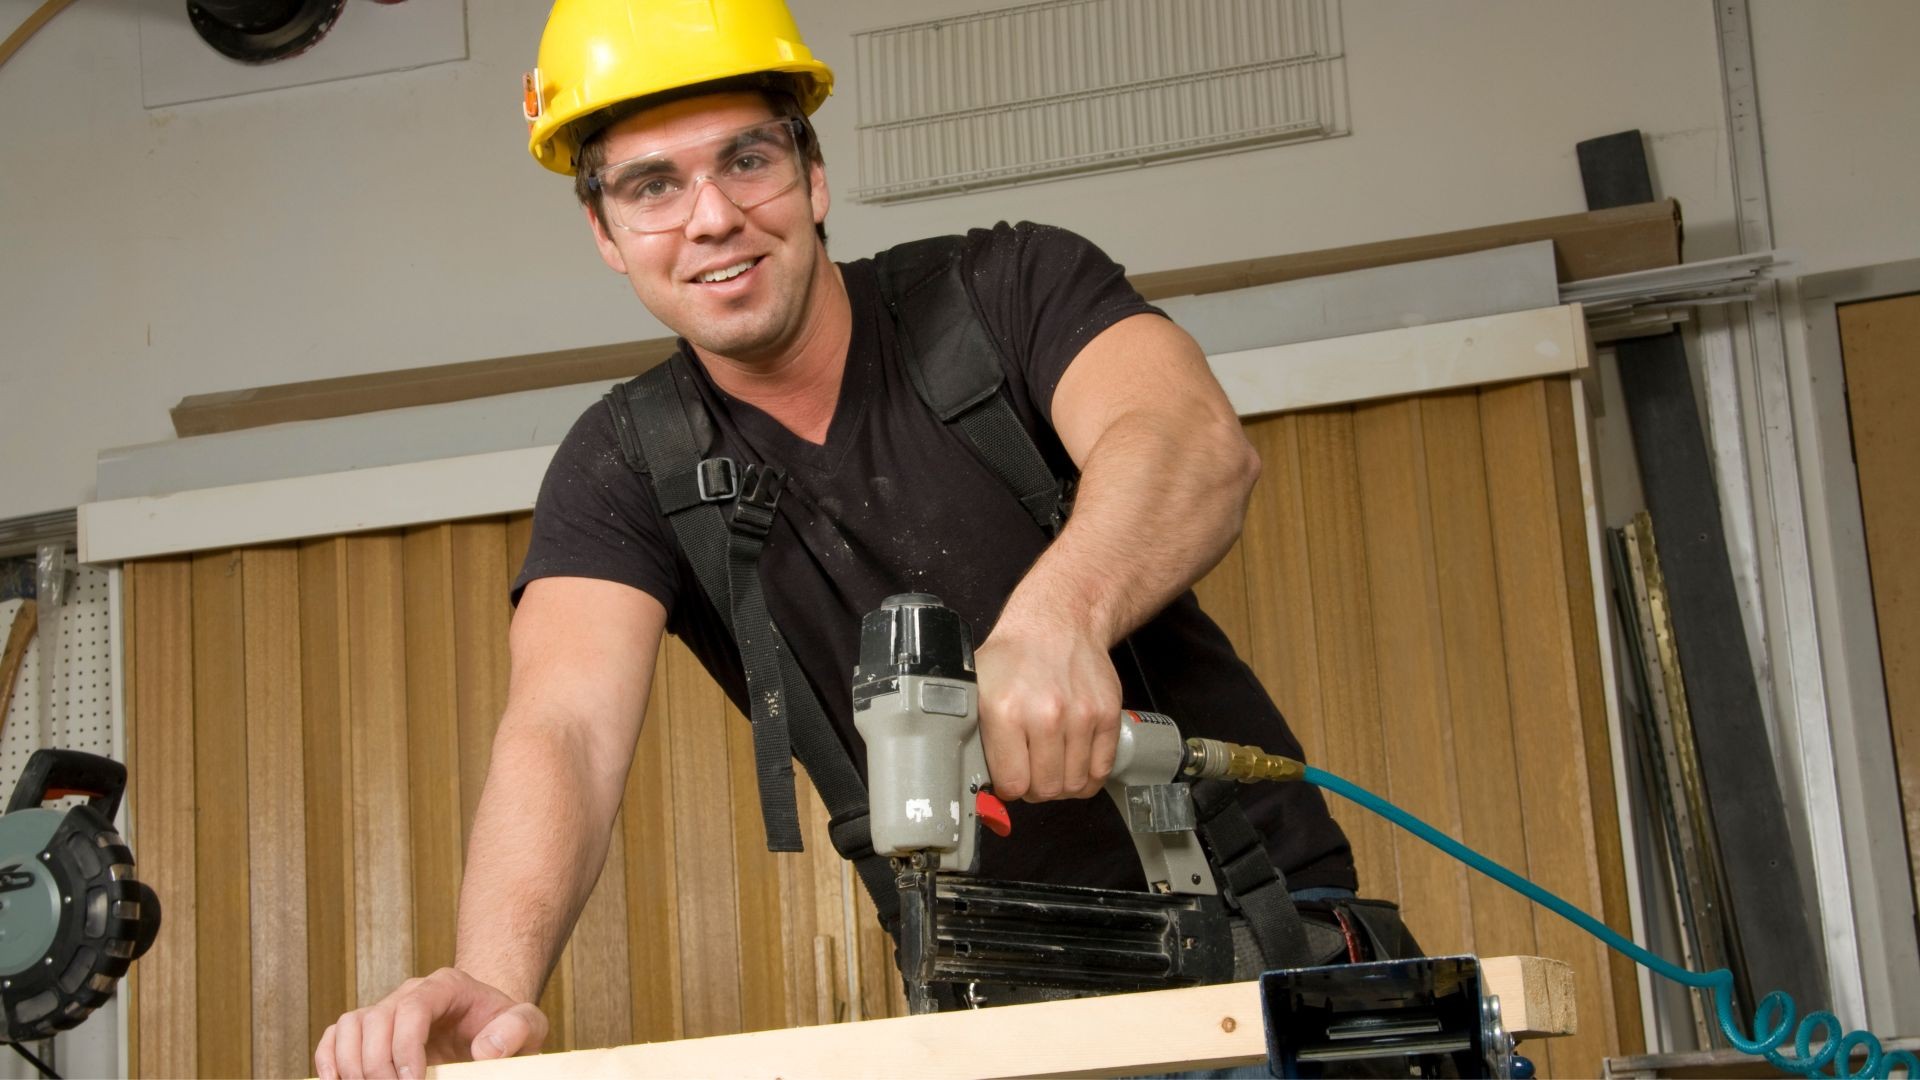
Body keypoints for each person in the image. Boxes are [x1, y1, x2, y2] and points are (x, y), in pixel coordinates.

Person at [314, 2, 1358, 1076]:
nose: (711, 216)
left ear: (812, 176)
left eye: (746, 160)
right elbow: (564, 725)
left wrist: (1059, 619)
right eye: (653, 186)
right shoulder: (624, 463)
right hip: (997, 1010)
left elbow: (1188, 442)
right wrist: (492, 979)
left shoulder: (1008, 289)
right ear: (607, 234)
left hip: (1262, 946)